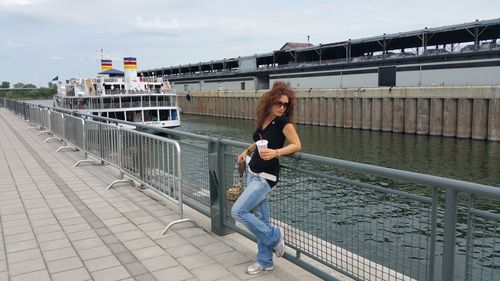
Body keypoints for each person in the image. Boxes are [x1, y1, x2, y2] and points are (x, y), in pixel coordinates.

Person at [231, 81, 301, 275]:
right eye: (279, 103)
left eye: (286, 105)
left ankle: (275, 236)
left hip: (266, 177)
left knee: (238, 211)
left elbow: (297, 145)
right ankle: (265, 261)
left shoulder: (283, 122)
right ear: (270, 101)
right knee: (261, 218)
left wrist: (276, 152)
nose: (282, 107)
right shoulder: (264, 119)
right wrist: (247, 150)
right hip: (252, 172)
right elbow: (258, 141)